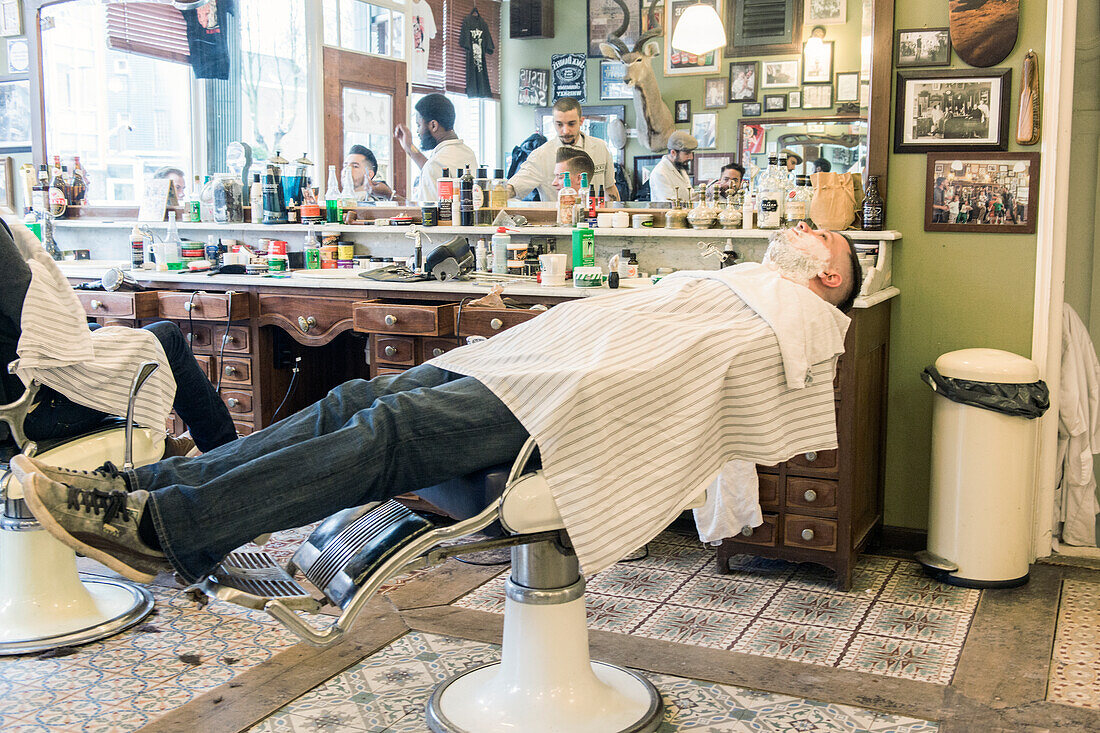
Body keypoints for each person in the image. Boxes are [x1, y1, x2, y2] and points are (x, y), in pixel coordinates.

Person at [12, 224, 862, 586]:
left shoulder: (791, 319)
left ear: (830, 277)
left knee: (389, 429)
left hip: (564, 411)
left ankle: (170, 529)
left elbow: (668, 383)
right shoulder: (738, 285)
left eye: (828, 238)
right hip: (530, 374)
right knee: (352, 393)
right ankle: (149, 487)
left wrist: (566, 379)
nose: (811, 231)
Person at [0, 217, 236, 454]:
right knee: (167, 336)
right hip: (35, 414)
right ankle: (225, 452)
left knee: (95, 332)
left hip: (20, 409)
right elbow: (32, 309)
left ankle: (163, 446)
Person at [507, 97, 620, 203]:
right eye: (559, 124)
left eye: (571, 124)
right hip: (558, 220)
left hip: (594, 219)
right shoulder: (541, 156)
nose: (565, 131)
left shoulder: (601, 148)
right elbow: (515, 187)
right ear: (553, 122)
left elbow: (609, 188)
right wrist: (496, 193)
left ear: (581, 121)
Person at [394, 93, 478, 203]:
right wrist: (409, 147)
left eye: (419, 125)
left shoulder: (435, 163)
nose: (418, 131)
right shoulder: (467, 153)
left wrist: (391, 196)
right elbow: (435, 167)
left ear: (433, 125)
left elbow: (428, 214)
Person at [648, 130, 697, 203]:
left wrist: (707, 192)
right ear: (673, 153)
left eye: (691, 153)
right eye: (687, 153)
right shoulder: (660, 173)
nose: (691, 157)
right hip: (668, 214)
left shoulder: (680, 168)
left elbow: (689, 196)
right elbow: (670, 203)